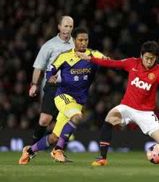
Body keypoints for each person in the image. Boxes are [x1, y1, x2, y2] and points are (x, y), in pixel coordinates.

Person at [77, 41, 159, 166]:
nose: (149, 61)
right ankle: (102, 158)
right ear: (141, 55)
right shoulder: (132, 63)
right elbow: (112, 63)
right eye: (147, 58)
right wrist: (91, 59)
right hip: (127, 107)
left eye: (152, 58)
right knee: (109, 118)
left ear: (156, 58)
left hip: (145, 113)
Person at [19, 27, 106, 164]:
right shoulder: (65, 56)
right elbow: (50, 69)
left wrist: (94, 60)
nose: (83, 43)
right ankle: (58, 150)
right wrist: (50, 77)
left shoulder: (93, 55)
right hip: (63, 96)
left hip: (77, 102)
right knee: (77, 117)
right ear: (74, 40)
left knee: (54, 136)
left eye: (86, 40)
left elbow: (109, 62)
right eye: (80, 40)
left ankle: (28, 151)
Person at [29, 16, 74, 146]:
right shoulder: (49, 45)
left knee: (66, 119)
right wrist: (34, 85)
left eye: (70, 26)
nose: (68, 29)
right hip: (52, 86)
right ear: (59, 27)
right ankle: (31, 148)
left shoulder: (75, 44)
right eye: (65, 26)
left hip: (69, 87)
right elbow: (38, 67)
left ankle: (59, 150)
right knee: (45, 120)